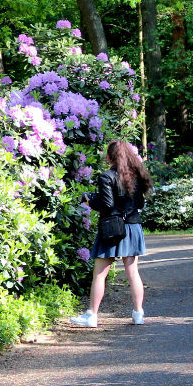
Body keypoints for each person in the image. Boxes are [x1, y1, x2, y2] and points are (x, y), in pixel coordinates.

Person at [70, 140, 152, 328]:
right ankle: (138, 313)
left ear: (109, 157)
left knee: (99, 274)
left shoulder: (106, 176)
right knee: (133, 272)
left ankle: (92, 315)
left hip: (113, 229)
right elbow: (139, 204)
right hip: (133, 227)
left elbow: (107, 205)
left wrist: (90, 201)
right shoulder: (137, 176)